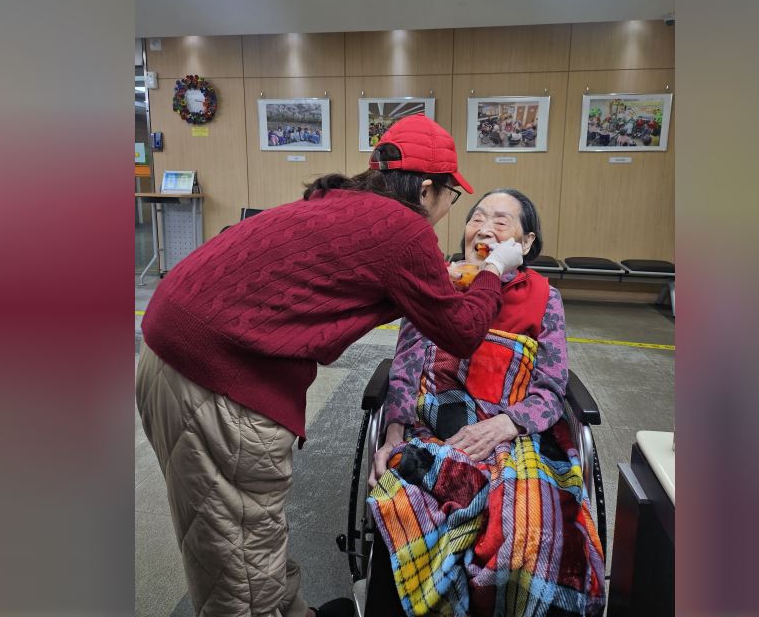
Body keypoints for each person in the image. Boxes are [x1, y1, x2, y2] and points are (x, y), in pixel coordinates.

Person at [135, 115, 526, 617]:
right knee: (236, 545)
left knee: (237, 528)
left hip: (171, 346)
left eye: (502, 222)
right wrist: (494, 269)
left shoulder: (343, 203)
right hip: (216, 373)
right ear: (428, 189)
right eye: (458, 200)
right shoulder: (405, 232)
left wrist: (447, 278)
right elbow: (461, 332)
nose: (475, 222)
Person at [365, 189, 606, 617]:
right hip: (433, 428)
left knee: (537, 529)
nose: (484, 229)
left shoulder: (543, 296)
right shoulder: (435, 284)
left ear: (525, 243)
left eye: (500, 221)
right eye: (476, 218)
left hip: (515, 433)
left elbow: (551, 387)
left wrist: (504, 425)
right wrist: (393, 433)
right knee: (401, 500)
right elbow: (405, 367)